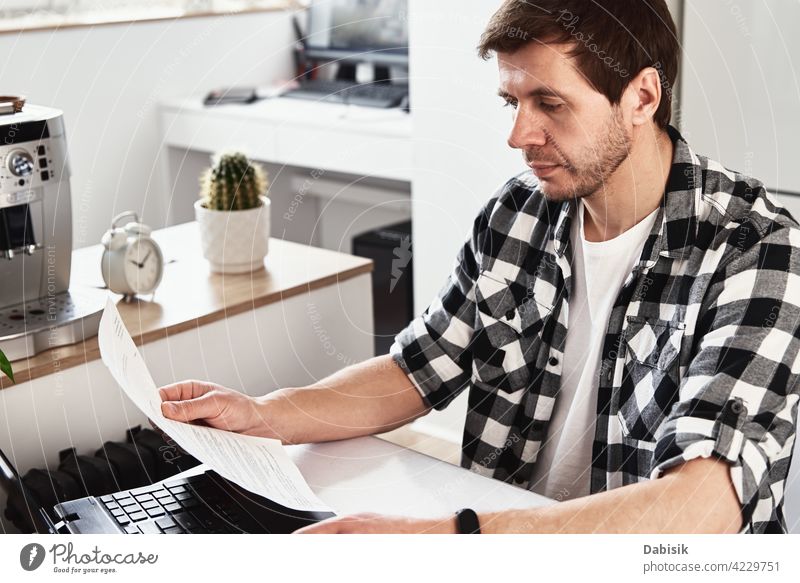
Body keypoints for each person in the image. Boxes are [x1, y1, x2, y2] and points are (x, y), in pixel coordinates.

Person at [159, 0, 800, 534]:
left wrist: (451, 543)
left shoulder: (758, 248)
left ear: (641, 95)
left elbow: (702, 505)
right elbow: (417, 370)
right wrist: (265, 414)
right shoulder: (517, 214)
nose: (519, 136)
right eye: (512, 102)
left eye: (550, 103)